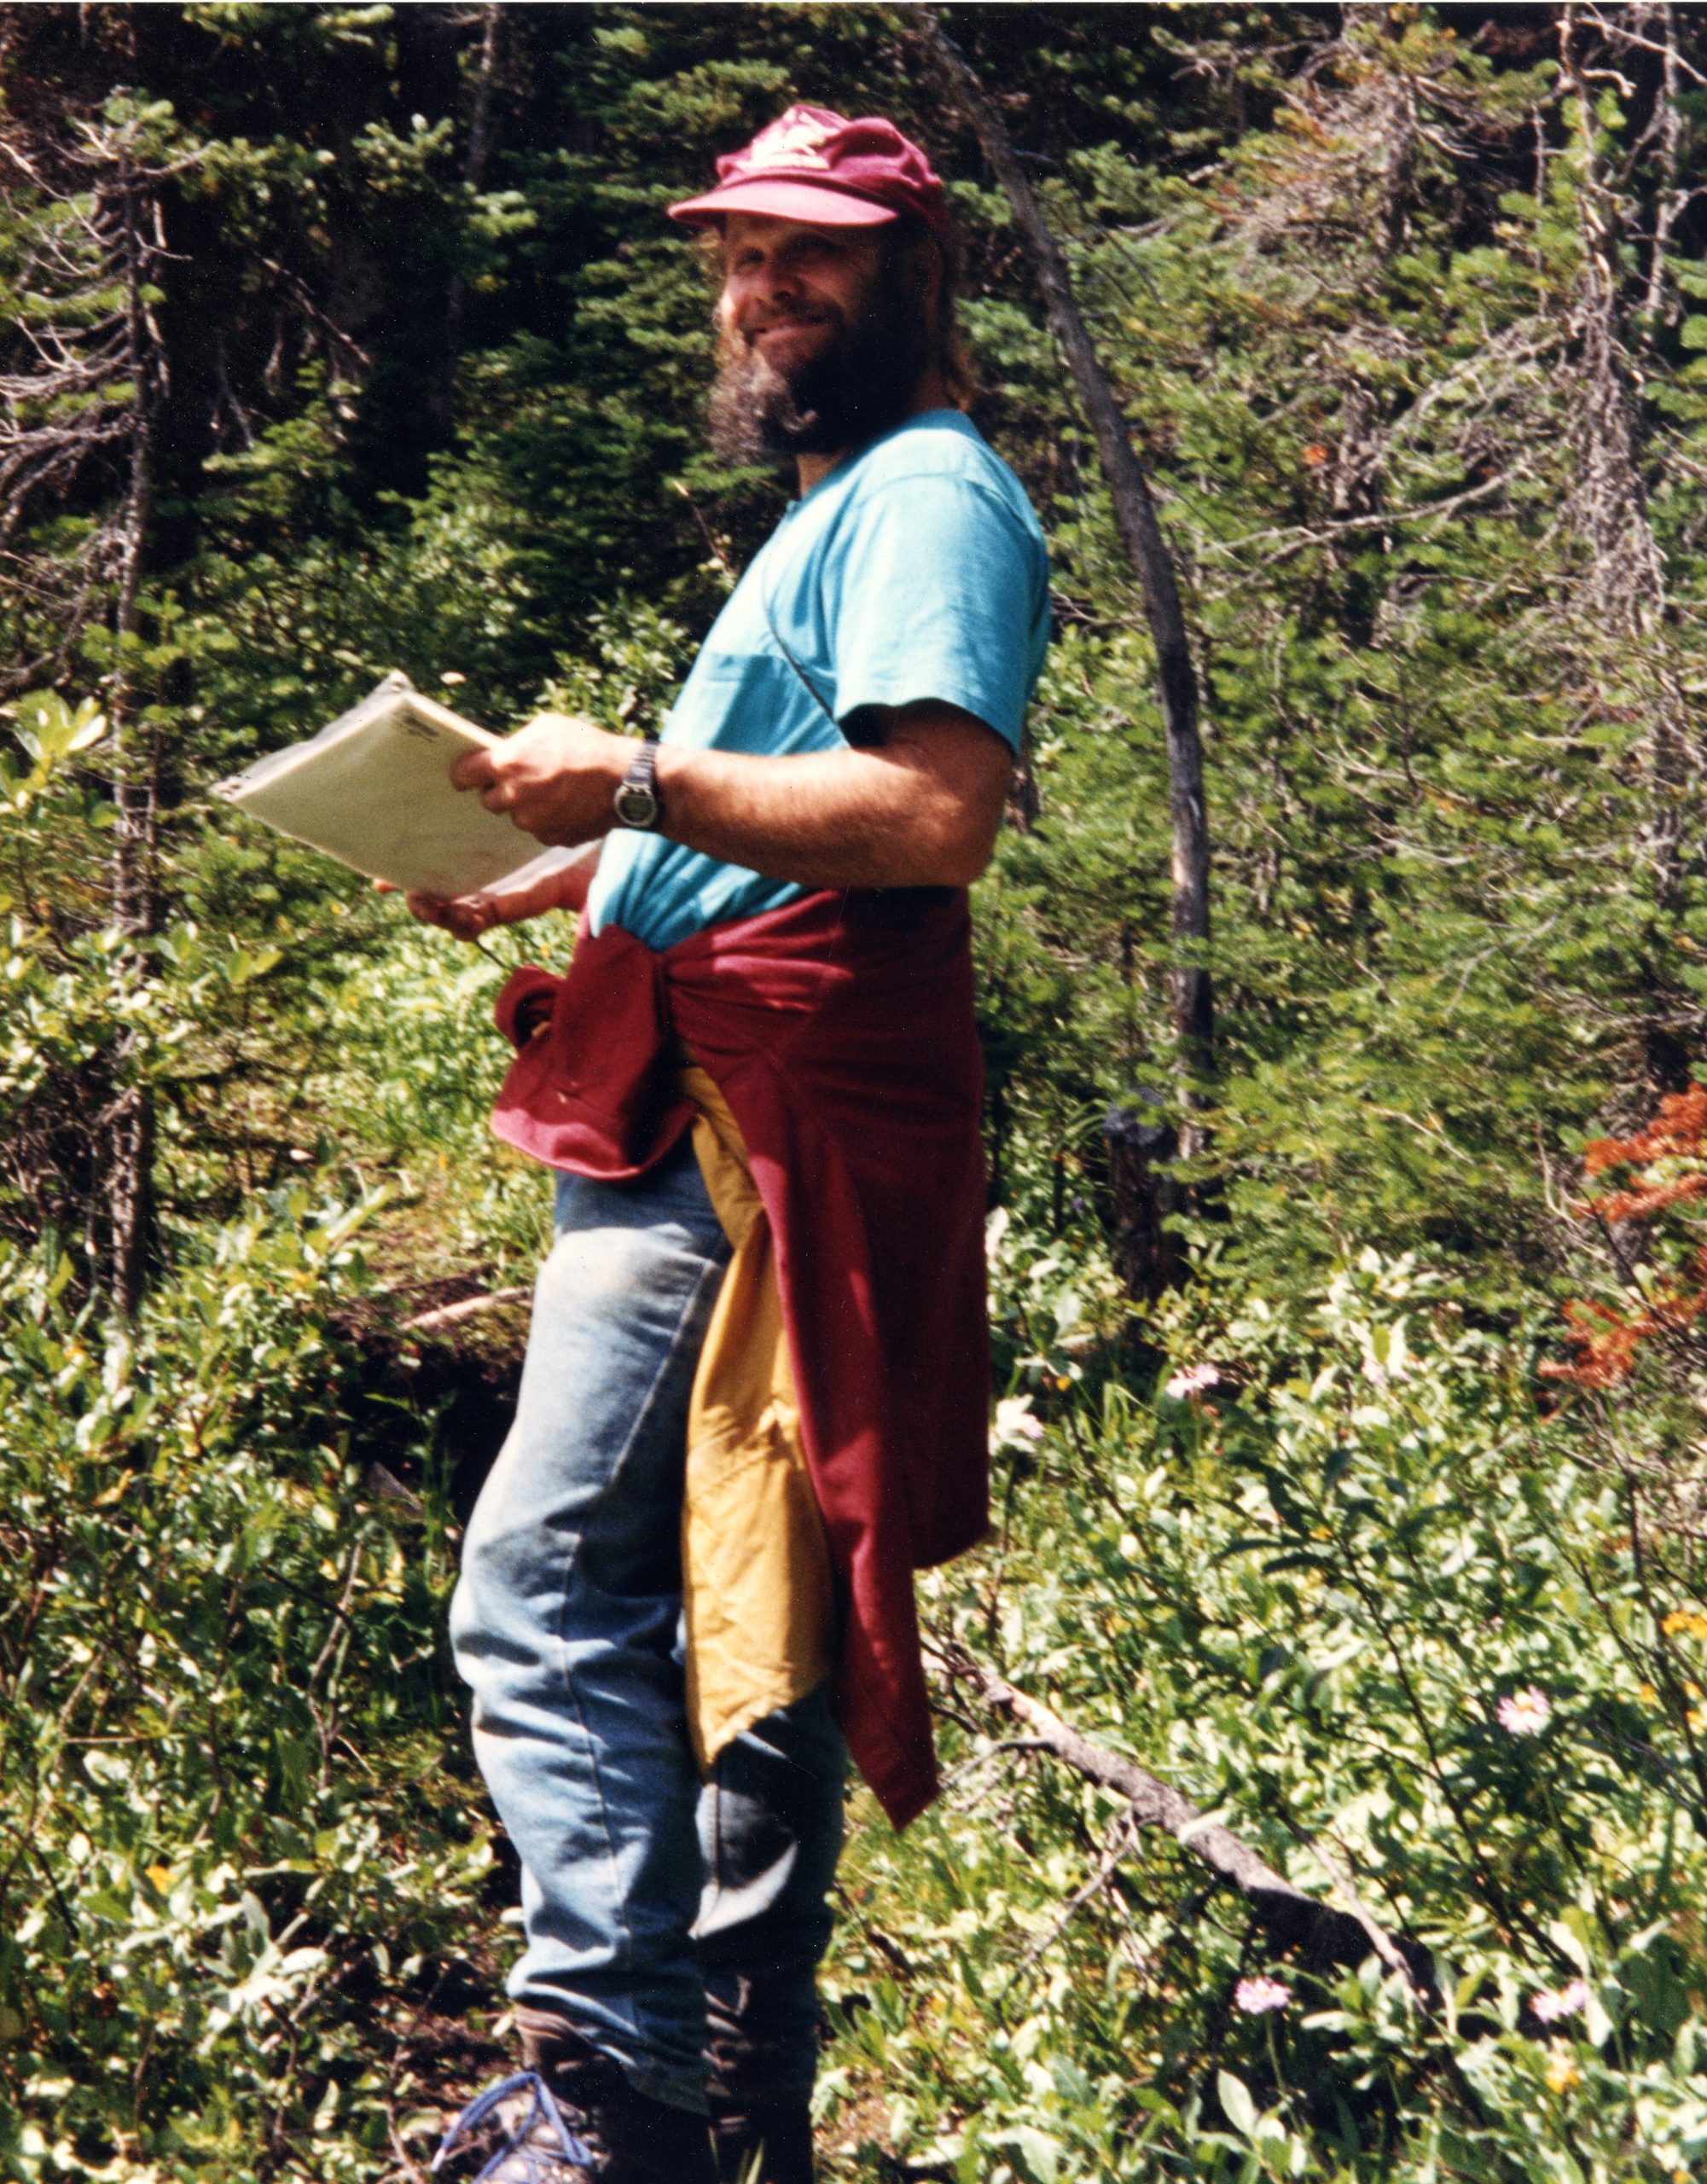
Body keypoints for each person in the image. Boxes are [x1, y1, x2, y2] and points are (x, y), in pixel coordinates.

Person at [415, 106, 1051, 2184]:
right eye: (735, 255)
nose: (756, 288)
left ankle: (610, 2088)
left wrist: (644, 781)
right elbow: (769, 807)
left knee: (542, 1585)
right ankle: (720, 2095)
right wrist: (574, 866)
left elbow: (933, 813)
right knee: (725, 1606)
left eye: (808, 255)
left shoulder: (933, 493)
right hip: (710, 1081)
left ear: (908, 274)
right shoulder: (845, 500)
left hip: (748, 1124)